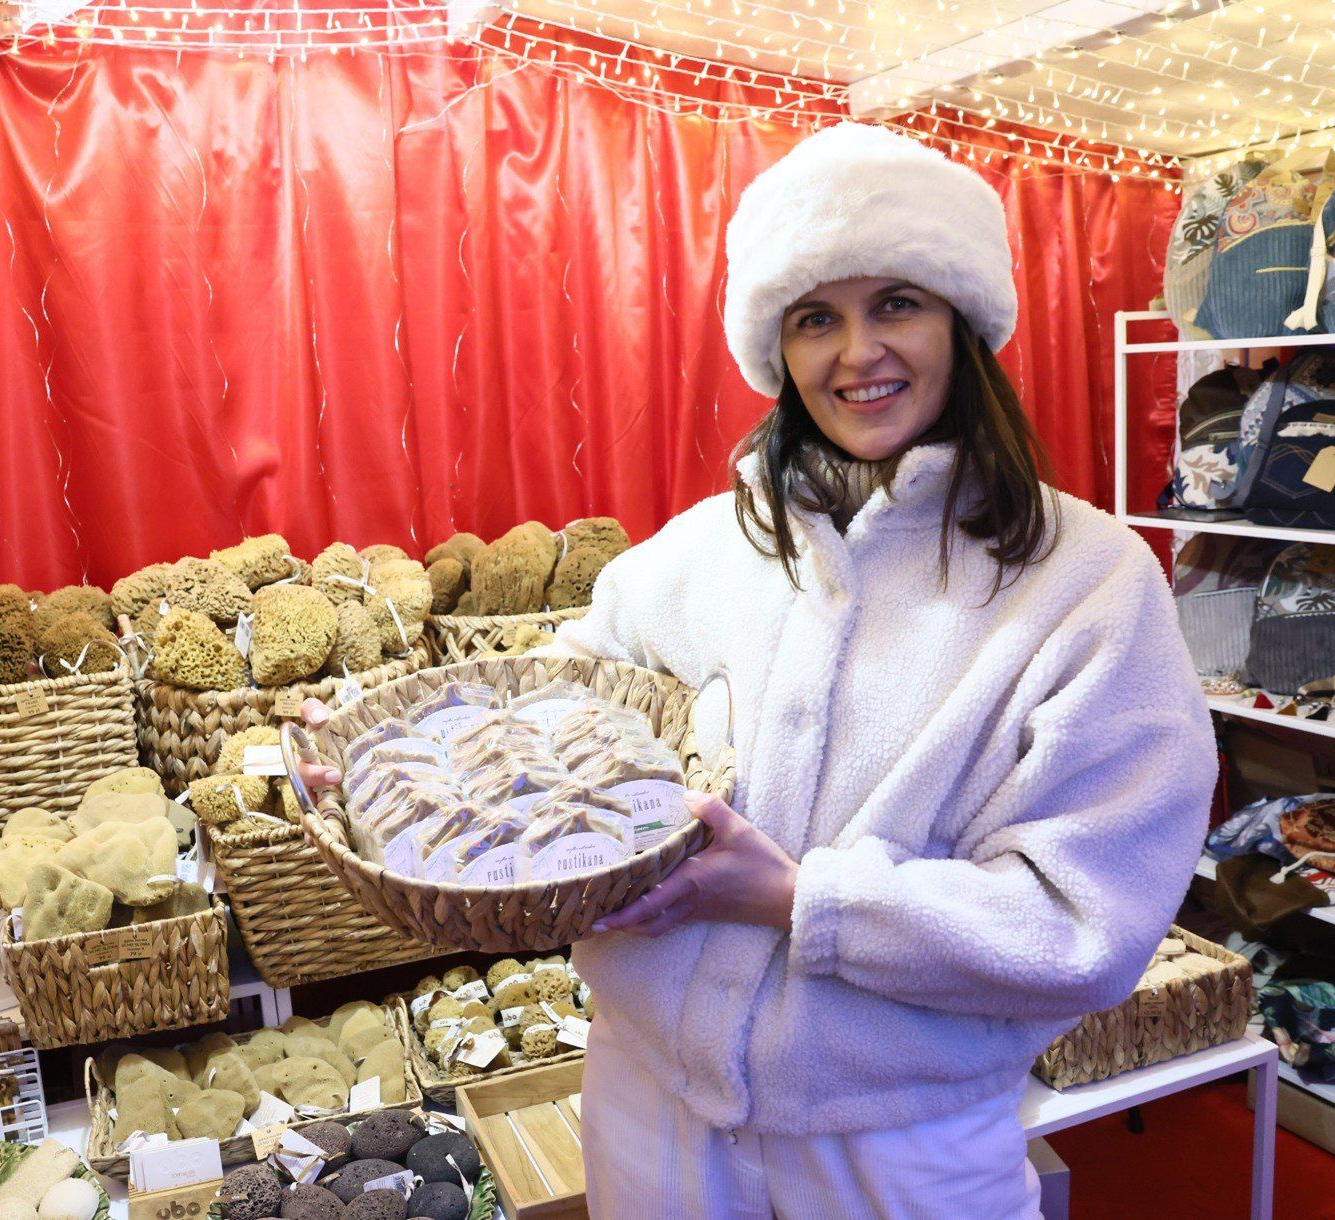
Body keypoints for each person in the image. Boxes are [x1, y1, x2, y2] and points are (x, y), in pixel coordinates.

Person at [303, 123, 1215, 1219]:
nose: (855, 353)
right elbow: (559, 712)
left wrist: (800, 896)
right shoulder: (706, 548)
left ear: (963, 320)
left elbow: (1084, 922)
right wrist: (392, 769)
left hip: (897, 1150)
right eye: (816, 317)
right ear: (774, 345)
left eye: (897, 304)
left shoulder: (1086, 584)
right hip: (650, 1109)